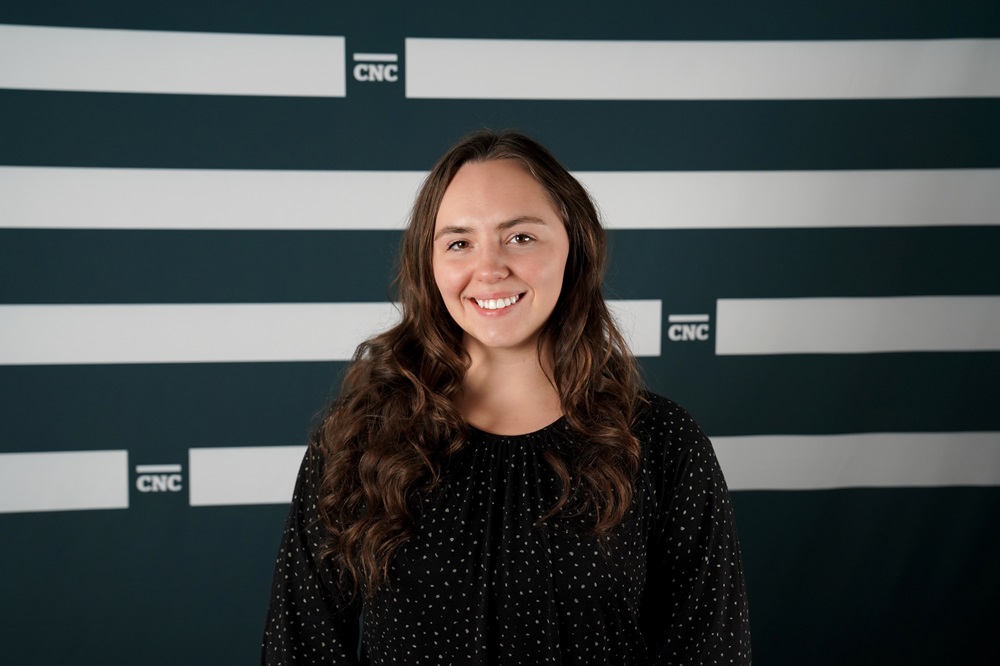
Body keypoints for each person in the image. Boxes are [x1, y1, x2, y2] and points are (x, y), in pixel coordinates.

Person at [261, 129, 751, 665]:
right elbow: (300, 648)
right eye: (459, 243)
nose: (490, 269)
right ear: (429, 264)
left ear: (574, 245)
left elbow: (710, 651)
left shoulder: (662, 442)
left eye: (520, 237)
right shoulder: (358, 438)